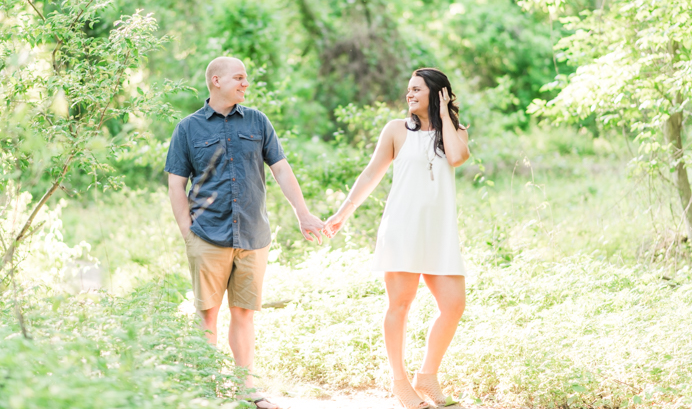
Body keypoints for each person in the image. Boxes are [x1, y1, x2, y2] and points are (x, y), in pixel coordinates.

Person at [165, 56, 324, 409]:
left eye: (245, 78)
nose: (244, 84)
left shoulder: (257, 121)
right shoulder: (187, 129)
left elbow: (281, 170)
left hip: (253, 235)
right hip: (207, 235)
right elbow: (176, 184)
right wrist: (186, 231)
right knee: (207, 313)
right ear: (216, 81)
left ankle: (244, 389)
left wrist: (304, 213)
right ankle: (207, 390)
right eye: (238, 78)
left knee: (244, 313)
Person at [324, 68, 470, 409]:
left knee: (453, 305)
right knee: (400, 306)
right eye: (408, 89)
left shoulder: (456, 132)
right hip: (403, 229)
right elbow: (372, 173)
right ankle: (400, 382)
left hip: (439, 233)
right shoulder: (396, 130)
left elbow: (457, 157)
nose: (410, 95)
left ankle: (428, 376)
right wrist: (342, 213)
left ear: (438, 94)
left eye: (418, 89)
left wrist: (446, 115)